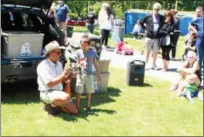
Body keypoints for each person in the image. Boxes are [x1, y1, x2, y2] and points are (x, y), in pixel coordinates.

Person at [37, 41, 78, 116]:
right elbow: (50, 83)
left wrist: (69, 75)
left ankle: (56, 105)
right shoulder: (43, 66)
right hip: (47, 92)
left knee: (75, 111)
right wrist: (64, 74)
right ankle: (50, 106)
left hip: (58, 91)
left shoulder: (59, 64)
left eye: (59, 52)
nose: (57, 54)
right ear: (49, 53)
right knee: (66, 97)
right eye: (54, 52)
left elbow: (62, 79)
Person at [75, 35, 101, 113]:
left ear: (89, 45)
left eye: (85, 46)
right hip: (80, 74)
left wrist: (98, 74)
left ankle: (88, 106)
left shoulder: (92, 52)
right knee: (79, 90)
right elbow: (77, 63)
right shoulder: (78, 52)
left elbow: (96, 64)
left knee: (89, 91)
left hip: (89, 75)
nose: (83, 47)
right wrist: (78, 66)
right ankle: (77, 106)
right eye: (82, 45)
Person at [138, 3, 164, 70]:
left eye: (157, 9)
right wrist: (145, 29)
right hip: (148, 37)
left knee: (155, 52)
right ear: (153, 9)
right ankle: (146, 64)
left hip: (157, 38)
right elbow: (140, 22)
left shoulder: (161, 17)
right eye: (155, 9)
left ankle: (154, 64)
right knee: (147, 51)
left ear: (159, 10)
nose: (156, 11)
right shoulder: (148, 16)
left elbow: (164, 25)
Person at [189, 6, 204, 83]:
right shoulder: (196, 19)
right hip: (200, 42)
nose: (197, 13)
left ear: (202, 12)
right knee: (199, 60)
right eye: (196, 11)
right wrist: (194, 30)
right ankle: (198, 78)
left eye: (199, 12)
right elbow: (190, 26)